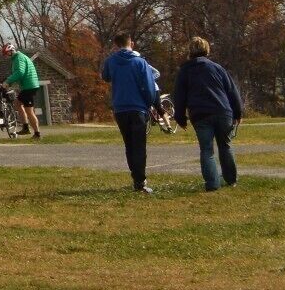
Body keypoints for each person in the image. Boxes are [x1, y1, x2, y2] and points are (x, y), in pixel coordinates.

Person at [171, 35, 244, 191]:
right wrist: (238, 112)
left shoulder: (185, 71)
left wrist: (180, 117)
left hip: (200, 114)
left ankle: (212, 184)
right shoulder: (217, 68)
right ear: (207, 50)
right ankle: (231, 179)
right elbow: (232, 91)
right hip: (222, 110)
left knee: (206, 149)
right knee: (225, 145)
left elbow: (179, 96)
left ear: (190, 51)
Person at [101, 33, 160, 193]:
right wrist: (149, 103)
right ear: (131, 44)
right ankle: (140, 181)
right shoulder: (140, 62)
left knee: (129, 144)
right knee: (139, 145)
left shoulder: (111, 61)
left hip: (120, 108)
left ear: (116, 45)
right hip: (138, 108)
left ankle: (136, 176)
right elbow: (149, 86)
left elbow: (105, 76)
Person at [2, 40, 45, 139]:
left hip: (29, 86)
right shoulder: (18, 57)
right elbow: (20, 73)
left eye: (6, 53)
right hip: (28, 86)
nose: (6, 56)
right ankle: (25, 127)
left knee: (29, 111)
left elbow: (20, 72)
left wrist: (7, 81)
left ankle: (37, 134)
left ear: (11, 51)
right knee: (17, 104)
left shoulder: (18, 58)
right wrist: (10, 83)